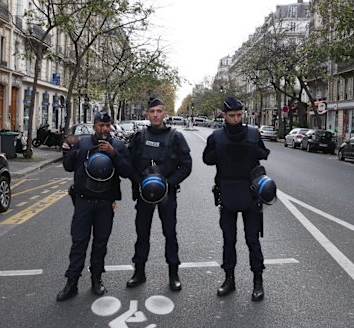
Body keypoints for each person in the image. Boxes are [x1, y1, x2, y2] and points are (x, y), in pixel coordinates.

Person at [57, 112, 133, 302]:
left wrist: (113, 154)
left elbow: (127, 171)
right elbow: (68, 166)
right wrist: (71, 150)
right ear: (94, 126)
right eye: (101, 125)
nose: (104, 129)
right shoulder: (83, 143)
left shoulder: (118, 145)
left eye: (107, 125)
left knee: (101, 243)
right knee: (79, 242)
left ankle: (96, 278)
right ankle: (71, 282)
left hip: (106, 203)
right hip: (84, 201)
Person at [202, 96, 271, 302]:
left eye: (239, 115)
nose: (236, 119)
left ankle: (258, 282)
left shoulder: (252, 133)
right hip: (227, 192)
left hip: (250, 193)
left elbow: (263, 154)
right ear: (223, 115)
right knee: (229, 240)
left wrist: (250, 149)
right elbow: (207, 159)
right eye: (232, 115)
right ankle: (229, 279)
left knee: (252, 240)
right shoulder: (216, 137)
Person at [126, 97, 192, 291]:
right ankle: (139, 272)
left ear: (165, 113)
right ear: (147, 114)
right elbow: (129, 163)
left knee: (170, 234)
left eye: (159, 111)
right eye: (152, 111)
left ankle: (173, 273)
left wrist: (168, 183)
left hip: (167, 195)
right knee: (142, 233)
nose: (155, 115)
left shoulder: (175, 136)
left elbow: (186, 165)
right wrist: (140, 182)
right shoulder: (139, 136)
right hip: (143, 195)